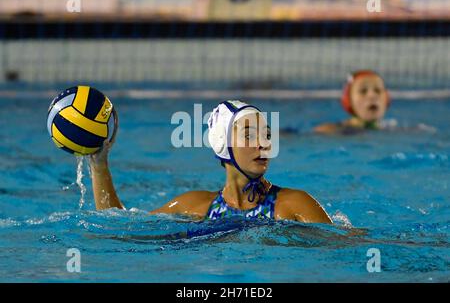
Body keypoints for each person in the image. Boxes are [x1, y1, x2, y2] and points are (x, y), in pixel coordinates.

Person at [89, 100, 332, 224]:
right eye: (249, 135)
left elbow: (347, 246)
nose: (264, 143)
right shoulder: (194, 207)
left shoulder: (294, 204)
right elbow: (120, 227)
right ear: (222, 144)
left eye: (266, 134)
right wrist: (99, 164)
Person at [314, 70, 390, 134]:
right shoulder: (335, 130)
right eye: (363, 91)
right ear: (349, 101)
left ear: (387, 99)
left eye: (378, 90)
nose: (372, 96)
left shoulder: (389, 127)